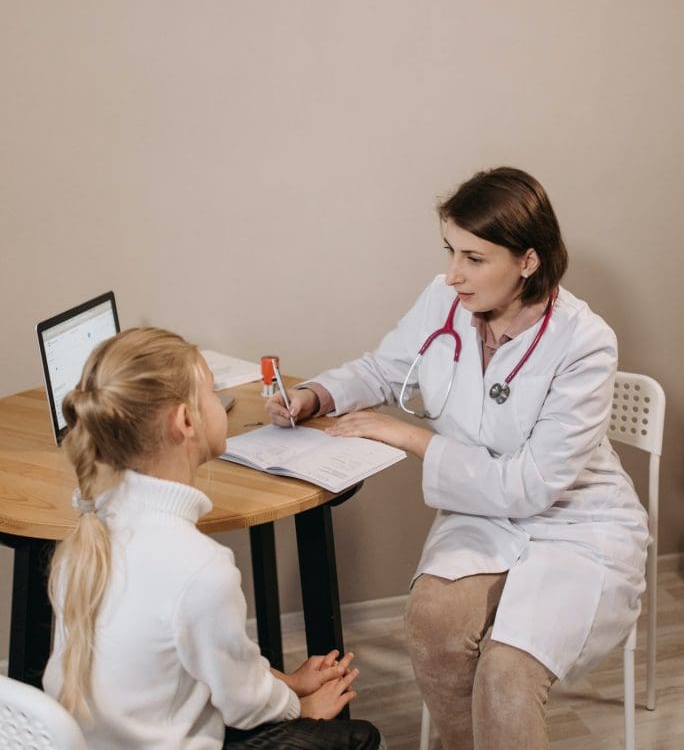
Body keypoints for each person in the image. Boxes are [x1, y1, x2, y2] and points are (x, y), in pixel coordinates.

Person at [267, 166, 648, 750]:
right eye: (451, 251)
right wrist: (314, 395)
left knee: (507, 671)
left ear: (527, 261)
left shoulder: (585, 342)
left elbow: (531, 486)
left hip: (574, 524)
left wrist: (411, 438)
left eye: (474, 258)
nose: (452, 274)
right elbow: (385, 368)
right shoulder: (445, 300)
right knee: (432, 624)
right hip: (480, 513)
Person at [43, 327, 383, 750]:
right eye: (213, 391)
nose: (220, 401)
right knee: (360, 738)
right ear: (185, 421)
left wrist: (288, 682)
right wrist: (303, 708)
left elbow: (205, 661)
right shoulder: (199, 566)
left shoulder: (91, 531)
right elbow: (242, 703)